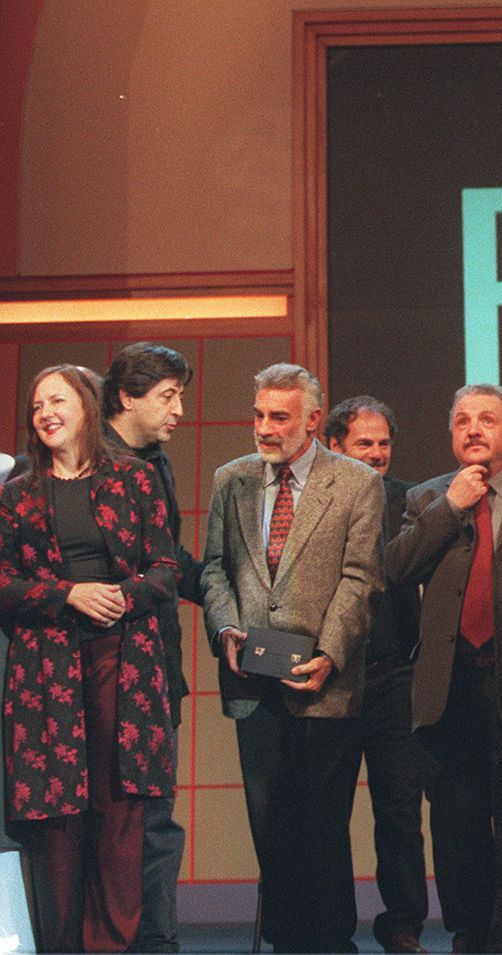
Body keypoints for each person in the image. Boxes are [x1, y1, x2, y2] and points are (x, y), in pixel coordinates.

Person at [199, 363, 383, 953]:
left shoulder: (356, 482)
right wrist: (226, 626)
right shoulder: (233, 480)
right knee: (269, 827)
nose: (264, 427)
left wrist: (330, 653)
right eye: (259, 414)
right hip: (253, 681)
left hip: (323, 684)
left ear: (310, 420)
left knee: (321, 829)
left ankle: (330, 944)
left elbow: (360, 579)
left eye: (278, 417)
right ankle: (284, 943)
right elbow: (214, 570)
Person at [1, 364, 179, 952]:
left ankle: (112, 946)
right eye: (35, 405)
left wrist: (120, 598)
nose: (45, 412)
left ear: (85, 407)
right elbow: (2, 583)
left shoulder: (133, 478)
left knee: (119, 814)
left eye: (56, 400)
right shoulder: (18, 491)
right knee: (56, 820)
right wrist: (65, 594)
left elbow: (165, 568)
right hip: (44, 670)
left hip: (121, 661)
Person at [386, 385, 502, 952]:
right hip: (448, 685)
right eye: (462, 422)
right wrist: (451, 506)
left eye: (487, 420)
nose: (473, 429)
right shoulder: (428, 498)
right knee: (456, 821)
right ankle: (471, 934)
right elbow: (397, 568)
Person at [101, 342, 204, 955]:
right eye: (167, 396)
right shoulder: (89, 466)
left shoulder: (155, 462)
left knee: (156, 818)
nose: (180, 410)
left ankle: (157, 943)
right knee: (118, 820)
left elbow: (170, 562)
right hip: (104, 664)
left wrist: (226, 608)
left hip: (157, 663)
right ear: (126, 397)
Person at [326, 396, 429, 954]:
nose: (377, 453)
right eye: (364, 443)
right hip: (332, 678)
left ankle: (404, 924)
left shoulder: (412, 501)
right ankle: (332, 926)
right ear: (335, 445)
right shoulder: (319, 501)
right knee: (328, 809)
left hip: (395, 678)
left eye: (384, 442)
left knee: (400, 809)